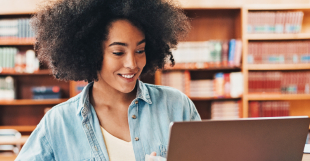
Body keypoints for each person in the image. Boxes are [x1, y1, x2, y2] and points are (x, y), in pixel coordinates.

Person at [16, 0, 201, 160]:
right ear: (91, 54)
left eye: (140, 50)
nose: (132, 64)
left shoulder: (177, 106)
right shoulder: (59, 123)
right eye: (118, 52)